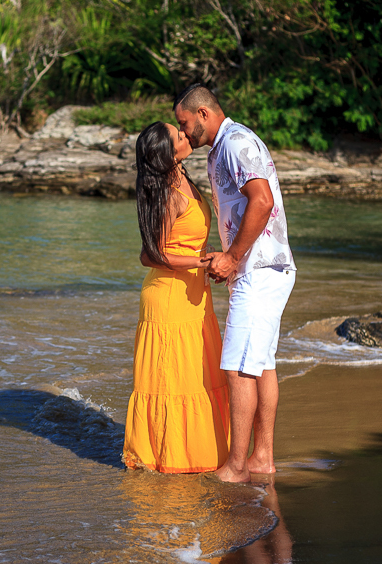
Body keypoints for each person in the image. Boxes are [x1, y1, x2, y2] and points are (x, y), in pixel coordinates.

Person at [173, 84, 296, 483]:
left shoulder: (234, 143)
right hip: (265, 266)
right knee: (260, 366)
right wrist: (224, 251)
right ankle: (261, 459)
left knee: (238, 369)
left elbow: (262, 201)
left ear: (204, 114)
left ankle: (237, 466)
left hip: (258, 269)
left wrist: (232, 257)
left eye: (185, 123)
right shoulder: (226, 145)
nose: (185, 131)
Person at [122, 122, 231, 473]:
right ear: (167, 154)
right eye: (178, 136)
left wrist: (206, 257)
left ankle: (200, 455)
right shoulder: (168, 193)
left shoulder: (183, 179)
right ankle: (168, 459)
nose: (186, 136)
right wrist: (202, 261)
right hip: (169, 297)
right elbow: (149, 254)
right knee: (173, 382)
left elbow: (183, 241)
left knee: (197, 378)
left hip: (192, 294)